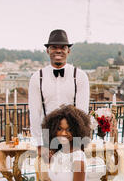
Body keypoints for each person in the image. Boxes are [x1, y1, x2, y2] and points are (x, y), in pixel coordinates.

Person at [28, 29, 90, 157]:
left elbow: (82, 112)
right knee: (46, 175)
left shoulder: (80, 76)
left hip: (72, 137)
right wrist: (40, 143)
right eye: (54, 47)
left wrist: (78, 144)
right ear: (47, 50)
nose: (58, 50)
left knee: (74, 173)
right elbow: (35, 113)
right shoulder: (36, 77)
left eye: (62, 47)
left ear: (68, 50)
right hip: (48, 137)